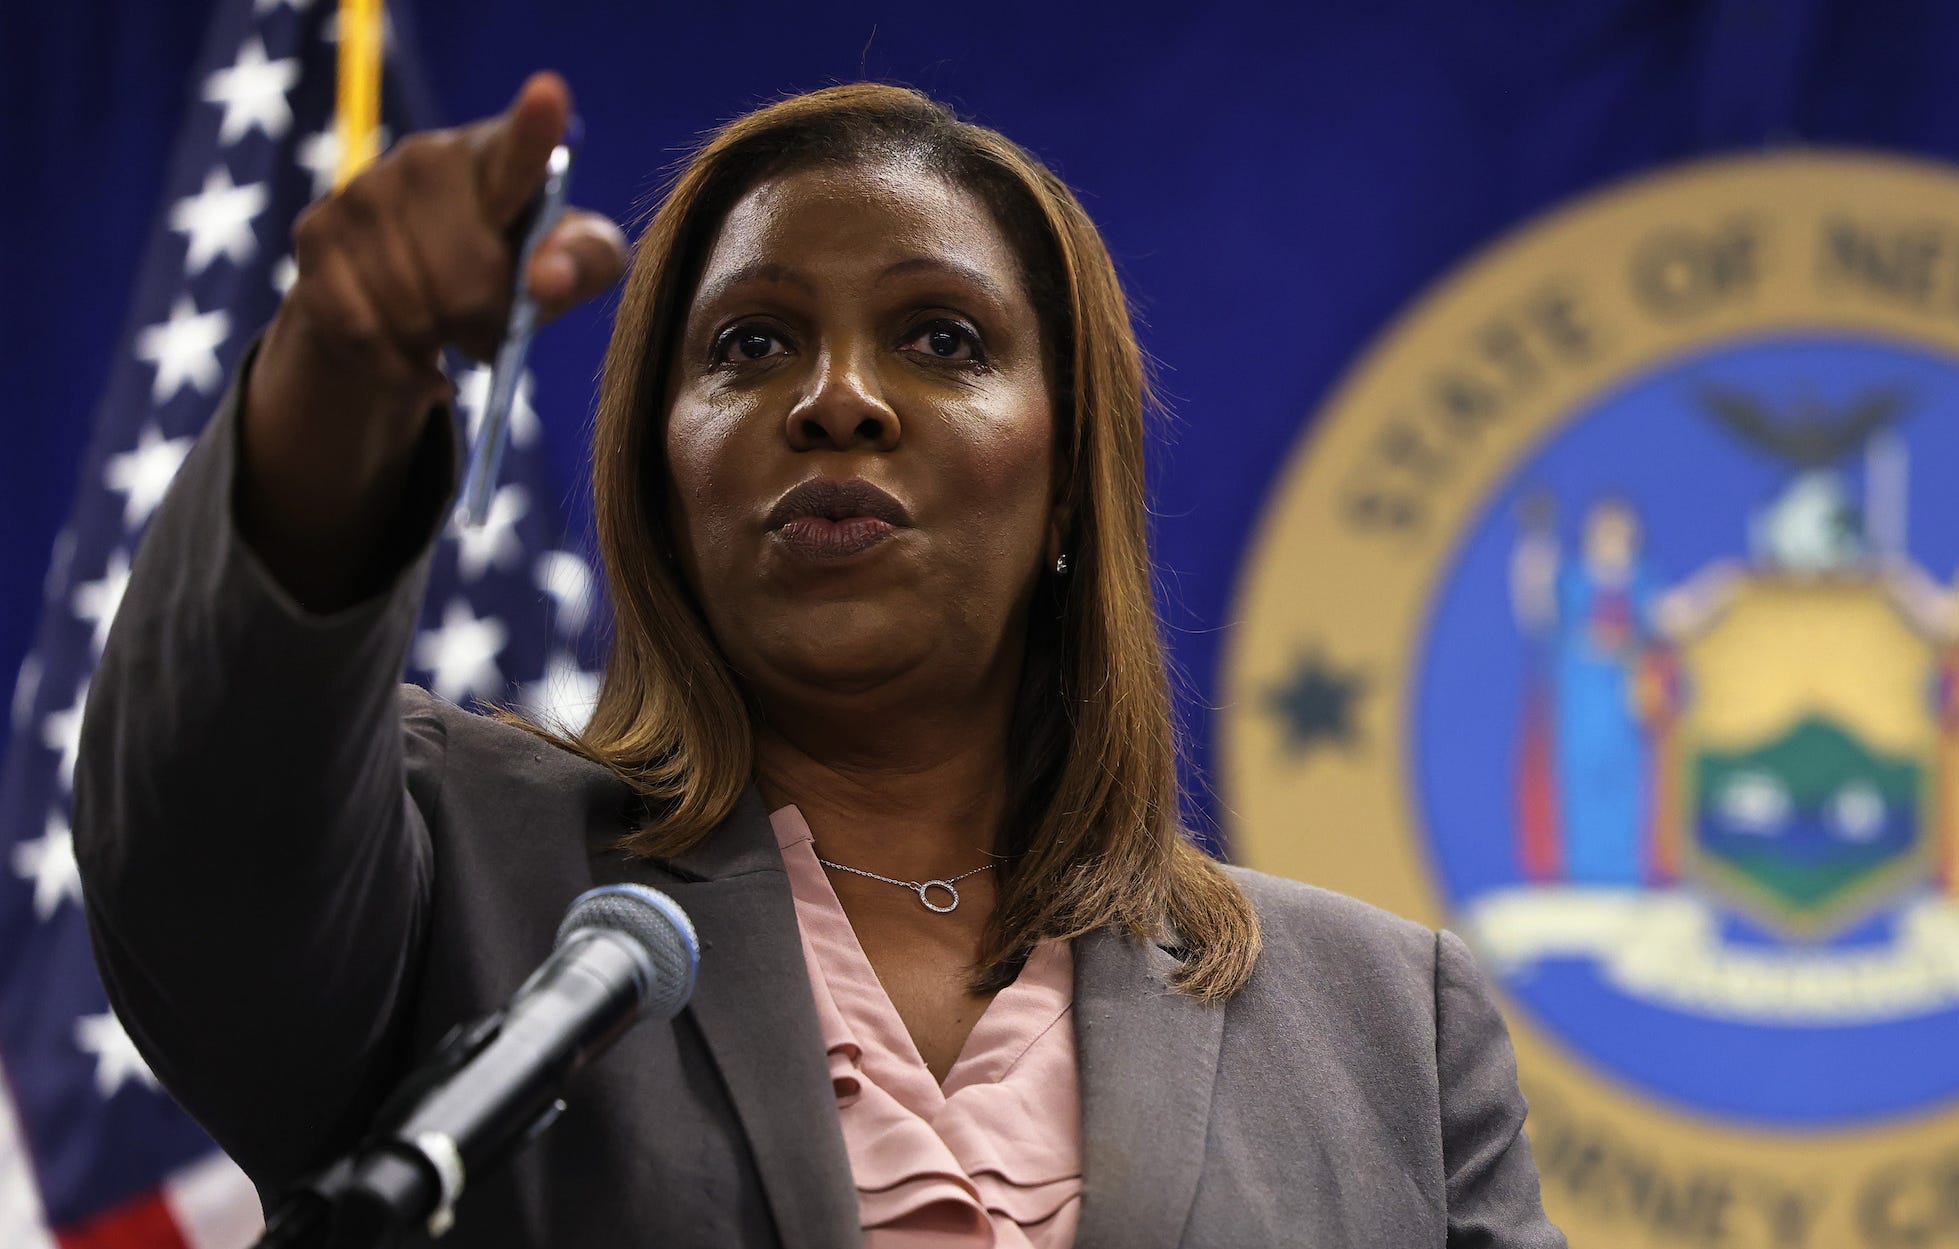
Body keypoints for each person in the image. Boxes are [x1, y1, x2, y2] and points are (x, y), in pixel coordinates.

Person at [72, 72, 1563, 1248]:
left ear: (1066, 486)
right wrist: (338, 381)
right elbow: (206, 826)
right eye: (750, 346)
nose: (838, 399)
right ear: (664, 477)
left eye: (941, 338)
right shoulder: (457, 867)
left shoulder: (1386, 1027)